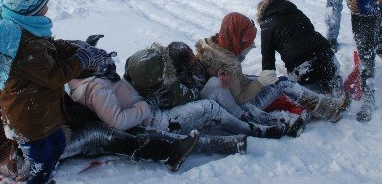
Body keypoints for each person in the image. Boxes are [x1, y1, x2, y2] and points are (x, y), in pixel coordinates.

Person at [0, 36, 201, 177]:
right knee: (99, 134)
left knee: (99, 128)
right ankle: (168, 153)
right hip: (19, 159)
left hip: (18, 147)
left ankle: (164, 142)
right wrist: (19, 110)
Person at [0, 0, 114, 184]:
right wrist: (82, 58)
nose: (48, 7)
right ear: (31, 10)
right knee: (43, 162)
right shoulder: (23, 45)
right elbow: (55, 76)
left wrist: (75, 47)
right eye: (44, 3)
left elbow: (50, 47)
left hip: (42, 112)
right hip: (29, 120)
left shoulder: (23, 28)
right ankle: (40, 179)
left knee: (56, 145)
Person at [195, 12, 351, 123]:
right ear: (237, 40)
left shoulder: (217, 49)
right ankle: (331, 111)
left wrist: (257, 80)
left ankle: (315, 104)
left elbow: (237, 83)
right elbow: (240, 99)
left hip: (235, 97)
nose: (251, 46)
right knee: (282, 83)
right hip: (246, 107)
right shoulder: (226, 65)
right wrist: (260, 83)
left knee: (271, 81)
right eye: (246, 43)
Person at [122, 41, 301, 137]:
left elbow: (200, 73)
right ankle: (254, 123)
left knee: (221, 88)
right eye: (191, 59)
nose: (195, 60)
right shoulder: (169, 85)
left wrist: (216, 72)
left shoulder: (177, 68)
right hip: (190, 106)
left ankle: (267, 119)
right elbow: (191, 96)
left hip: (199, 96)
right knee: (220, 91)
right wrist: (212, 80)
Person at [256, 0, 342, 94]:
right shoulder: (295, 11)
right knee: (332, 80)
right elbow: (310, 29)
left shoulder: (267, 24)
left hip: (302, 66)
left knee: (309, 95)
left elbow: (267, 56)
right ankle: (337, 89)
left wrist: (268, 80)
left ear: (261, 13)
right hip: (326, 55)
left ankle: (318, 101)